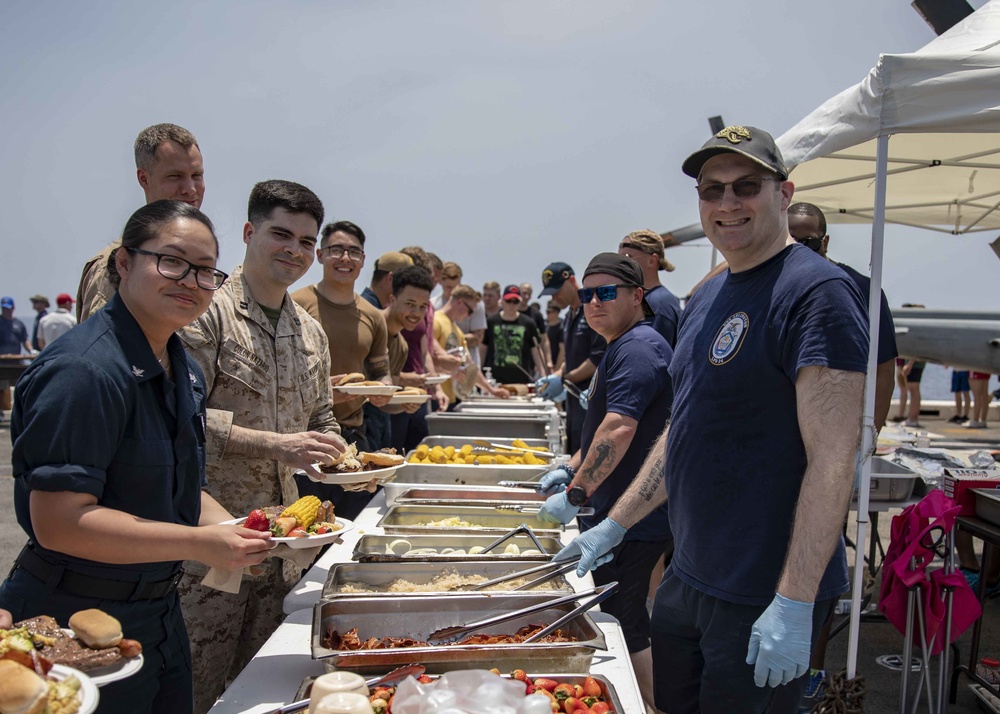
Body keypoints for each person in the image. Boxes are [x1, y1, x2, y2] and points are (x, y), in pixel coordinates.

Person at [555, 126, 868, 714]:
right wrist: (615, 525)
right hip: (689, 577)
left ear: (783, 192)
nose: (728, 203)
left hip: (762, 591)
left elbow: (832, 460)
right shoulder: (709, 294)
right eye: (712, 189)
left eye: (746, 186)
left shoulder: (818, 293)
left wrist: (795, 600)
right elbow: (685, 429)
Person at [0, 200, 274, 713]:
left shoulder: (183, 370)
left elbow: (177, 489)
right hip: (74, 620)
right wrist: (201, 544)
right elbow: (60, 522)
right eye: (171, 262)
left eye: (206, 272)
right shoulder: (84, 371)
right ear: (124, 263)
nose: (191, 282)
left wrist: (243, 532)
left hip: (159, 613)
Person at [177, 180, 346, 713]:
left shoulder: (311, 332)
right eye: (280, 234)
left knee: (268, 697)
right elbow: (178, 421)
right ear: (249, 233)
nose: (294, 250)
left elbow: (322, 417)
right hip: (210, 548)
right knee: (196, 690)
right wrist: (278, 445)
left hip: (286, 550)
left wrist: (336, 455)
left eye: (305, 240)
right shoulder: (207, 316)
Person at [536, 253, 673, 710]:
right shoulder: (620, 344)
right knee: (620, 616)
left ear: (637, 296)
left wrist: (577, 492)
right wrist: (570, 467)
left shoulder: (637, 347)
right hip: (617, 506)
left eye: (606, 293)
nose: (593, 302)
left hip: (635, 515)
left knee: (625, 619)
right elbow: (600, 431)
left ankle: (652, 705)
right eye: (587, 295)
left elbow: (619, 429)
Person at [786, 201, 898, 706]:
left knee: (825, 562)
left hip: (825, 457)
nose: (798, 248)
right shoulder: (766, 280)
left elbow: (885, 366)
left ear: (826, 243)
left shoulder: (859, 289)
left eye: (808, 241)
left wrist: (864, 442)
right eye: (789, 238)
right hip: (775, 456)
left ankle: (814, 673)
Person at [291, 220, 393, 518]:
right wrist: (322, 396)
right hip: (303, 439)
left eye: (353, 252)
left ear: (363, 260)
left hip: (353, 437)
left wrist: (384, 392)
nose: (345, 258)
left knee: (349, 527)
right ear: (321, 255)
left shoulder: (373, 316)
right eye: (337, 250)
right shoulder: (294, 304)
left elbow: (380, 374)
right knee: (306, 532)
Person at [77, 123, 206, 322]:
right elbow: (100, 347)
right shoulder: (119, 265)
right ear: (144, 178)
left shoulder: (201, 261)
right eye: (175, 176)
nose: (190, 189)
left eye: (196, 175)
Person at [537, 262, 607, 453]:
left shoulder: (592, 311)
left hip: (590, 401)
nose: (554, 297)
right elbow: (572, 355)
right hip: (573, 404)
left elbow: (596, 359)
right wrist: (558, 374)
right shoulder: (570, 315)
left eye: (558, 290)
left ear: (572, 280)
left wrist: (563, 380)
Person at [360, 251, 416, 449]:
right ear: (392, 279)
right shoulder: (366, 313)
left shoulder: (396, 334)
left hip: (379, 422)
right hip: (360, 424)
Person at [433, 285, 509, 403]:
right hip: (435, 396)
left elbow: (471, 367)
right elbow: (426, 356)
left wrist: (492, 390)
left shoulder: (458, 331)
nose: (469, 316)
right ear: (460, 302)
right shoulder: (435, 321)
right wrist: (451, 370)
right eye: (470, 311)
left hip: (450, 399)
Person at [618, 230, 682, 347]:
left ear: (652, 260)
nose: (621, 265)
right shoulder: (648, 300)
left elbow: (652, 355)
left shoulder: (658, 304)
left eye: (628, 258)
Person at [483, 285, 542, 385]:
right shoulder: (491, 321)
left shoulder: (528, 323)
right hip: (494, 380)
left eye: (515, 302)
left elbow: (536, 351)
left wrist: (543, 375)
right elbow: (482, 348)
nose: (511, 305)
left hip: (521, 380)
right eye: (508, 301)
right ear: (502, 300)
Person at [518, 282, 551, 372]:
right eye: (524, 293)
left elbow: (544, 339)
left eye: (529, 294)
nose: (527, 297)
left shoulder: (536, 315)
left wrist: (548, 361)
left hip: (530, 363)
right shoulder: (508, 313)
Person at [546, 303, 564, 371]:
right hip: (547, 365)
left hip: (557, 366)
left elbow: (562, 350)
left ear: (556, 313)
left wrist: (556, 369)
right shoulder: (545, 326)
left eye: (549, 312)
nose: (547, 314)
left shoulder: (561, 327)